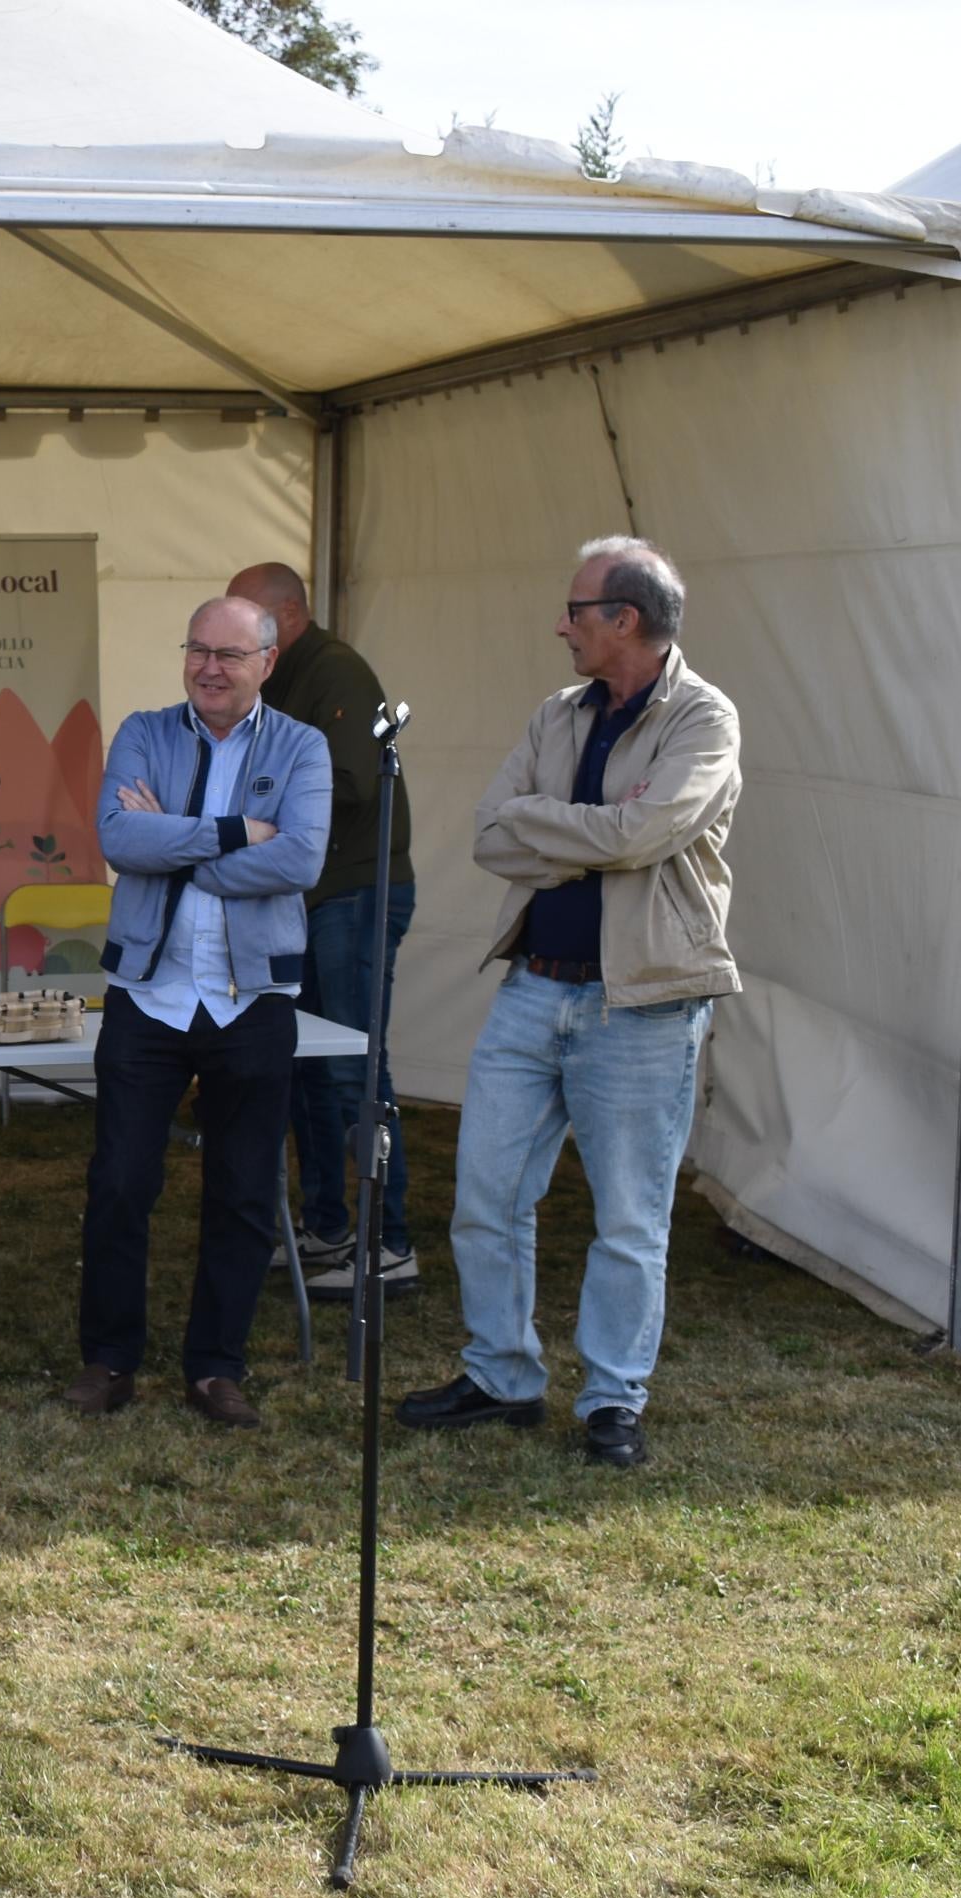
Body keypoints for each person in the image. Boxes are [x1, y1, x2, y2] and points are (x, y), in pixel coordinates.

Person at [400, 537, 740, 1470]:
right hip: (532, 987)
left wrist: (552, 827)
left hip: (643, 1004)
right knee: (486, 1196)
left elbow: (642, 833)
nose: (562, 626)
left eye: (576, 611)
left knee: (629, 1217)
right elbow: (489, 833)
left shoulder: (705, 718)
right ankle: (501, 1376)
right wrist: (594, 834)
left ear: (623, 619)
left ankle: (613, 1401)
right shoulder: (557, 713)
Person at [64, 596, 331, 1431]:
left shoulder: (303, 746)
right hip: (149, 996)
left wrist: (177, 845)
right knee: (119, 1184)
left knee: (245, 1192)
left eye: (229, 654)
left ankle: (217, 1368)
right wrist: (237, 834)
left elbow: (302, 858)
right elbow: (118, 839)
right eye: (197, 650)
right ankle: (109, 1360)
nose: (209, 668)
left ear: (267, 662)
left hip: (253, 1002)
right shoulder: (144, 732)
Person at [227, 561, 418, 1297]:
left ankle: (389, 1242)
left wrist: (250, 821)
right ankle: (329, 1227)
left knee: (353, 1067)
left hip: (352, 895)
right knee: (305, 1063)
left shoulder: (335, 671)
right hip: (306, 899)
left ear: (288, 616)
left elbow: (349, 783)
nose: (232, 637)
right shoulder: (276, 679)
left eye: (246, 618)